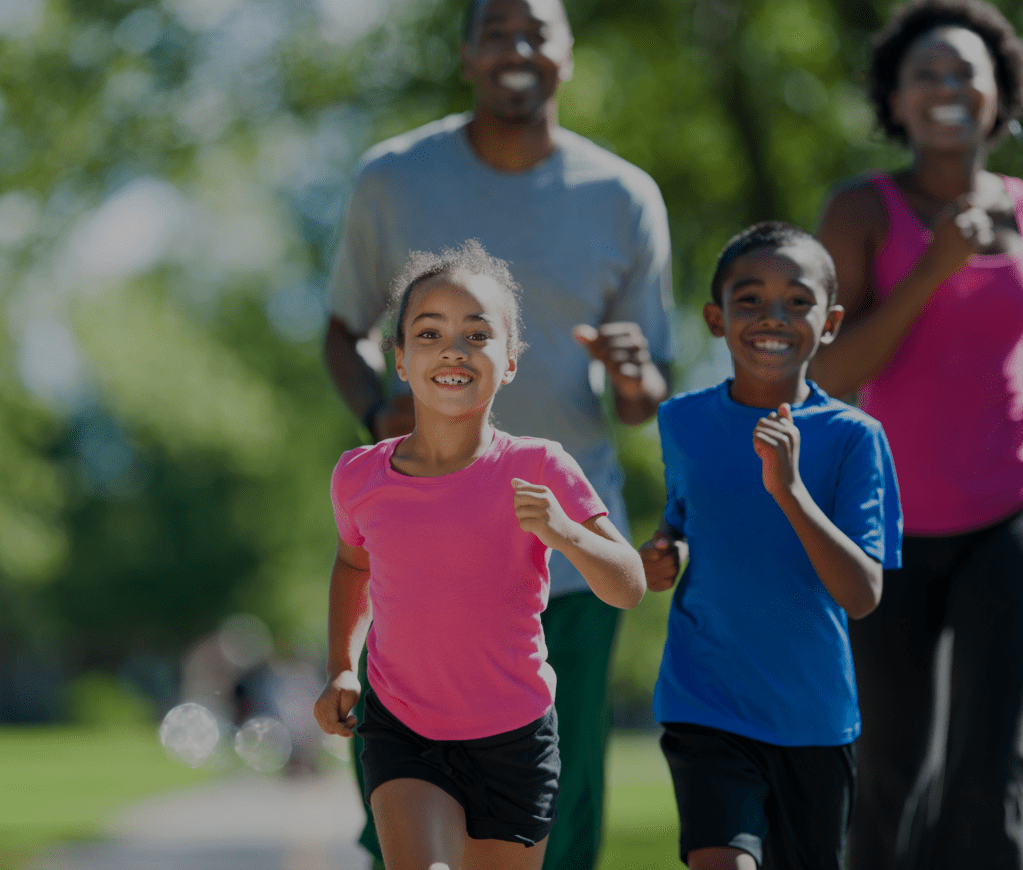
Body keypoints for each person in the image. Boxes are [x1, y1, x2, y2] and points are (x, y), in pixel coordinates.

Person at [322, 1, 674, 866]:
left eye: (535, 30)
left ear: (567, 53)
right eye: (495, 30)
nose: (516, 47)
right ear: (466, 52)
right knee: (403, 807)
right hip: (422, 550)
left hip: (563, 556)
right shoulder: (393, 177)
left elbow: (646, 391)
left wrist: (635, 379)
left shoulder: (622, 195)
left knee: (564, 797)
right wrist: (378, 415)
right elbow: (341, 331)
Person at [313, 240, 646, 870]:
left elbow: (628, 584)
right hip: (403, 728)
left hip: (515, 739)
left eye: (477, 333)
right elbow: (354, 565)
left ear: (510, 360)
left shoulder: (540, 466)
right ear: (400, 359)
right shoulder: (359, 477)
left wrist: (566, 533)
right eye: (429, 333)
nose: (453, 349)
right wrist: (340, 666)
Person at [813, 1, 1023, 866]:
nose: (945, 87)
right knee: (887, 770)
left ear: (997, 93)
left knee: (987, 768)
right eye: (924, 74)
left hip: (1007, 513)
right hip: (886, 523)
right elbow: (827, 371)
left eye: (964, 72)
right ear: (894, 100)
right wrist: (932, 270)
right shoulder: (859, 210)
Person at [639, 222, 903, 870]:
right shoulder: (681, 420)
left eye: (798, 301)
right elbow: (685, 516)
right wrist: (665, 547)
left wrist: (789, 490)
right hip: (705, 698)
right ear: (716, 318)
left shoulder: (854, 437)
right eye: (750, 298)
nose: (772, 317)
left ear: (831, 322)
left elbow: (862, 594)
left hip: (813, 715)